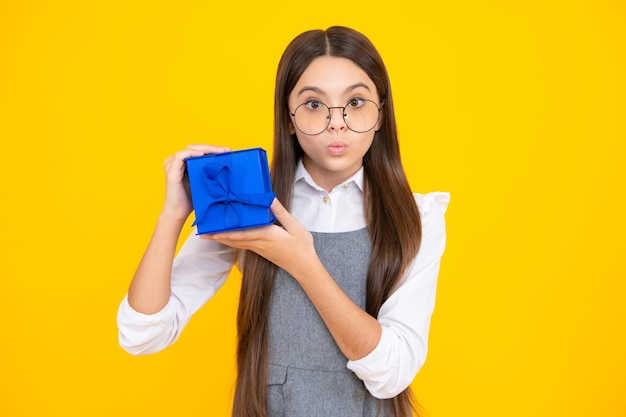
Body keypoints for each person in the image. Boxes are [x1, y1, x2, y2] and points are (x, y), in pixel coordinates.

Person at [117, 26, 449, 417]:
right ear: (288, 119)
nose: (337, 122)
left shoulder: (418, 216)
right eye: (313, 104)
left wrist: (302, 263)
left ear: (381, 115)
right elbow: (142, 334)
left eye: (356, 101)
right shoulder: (249, 203)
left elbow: (392, 373)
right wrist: (172, 216)